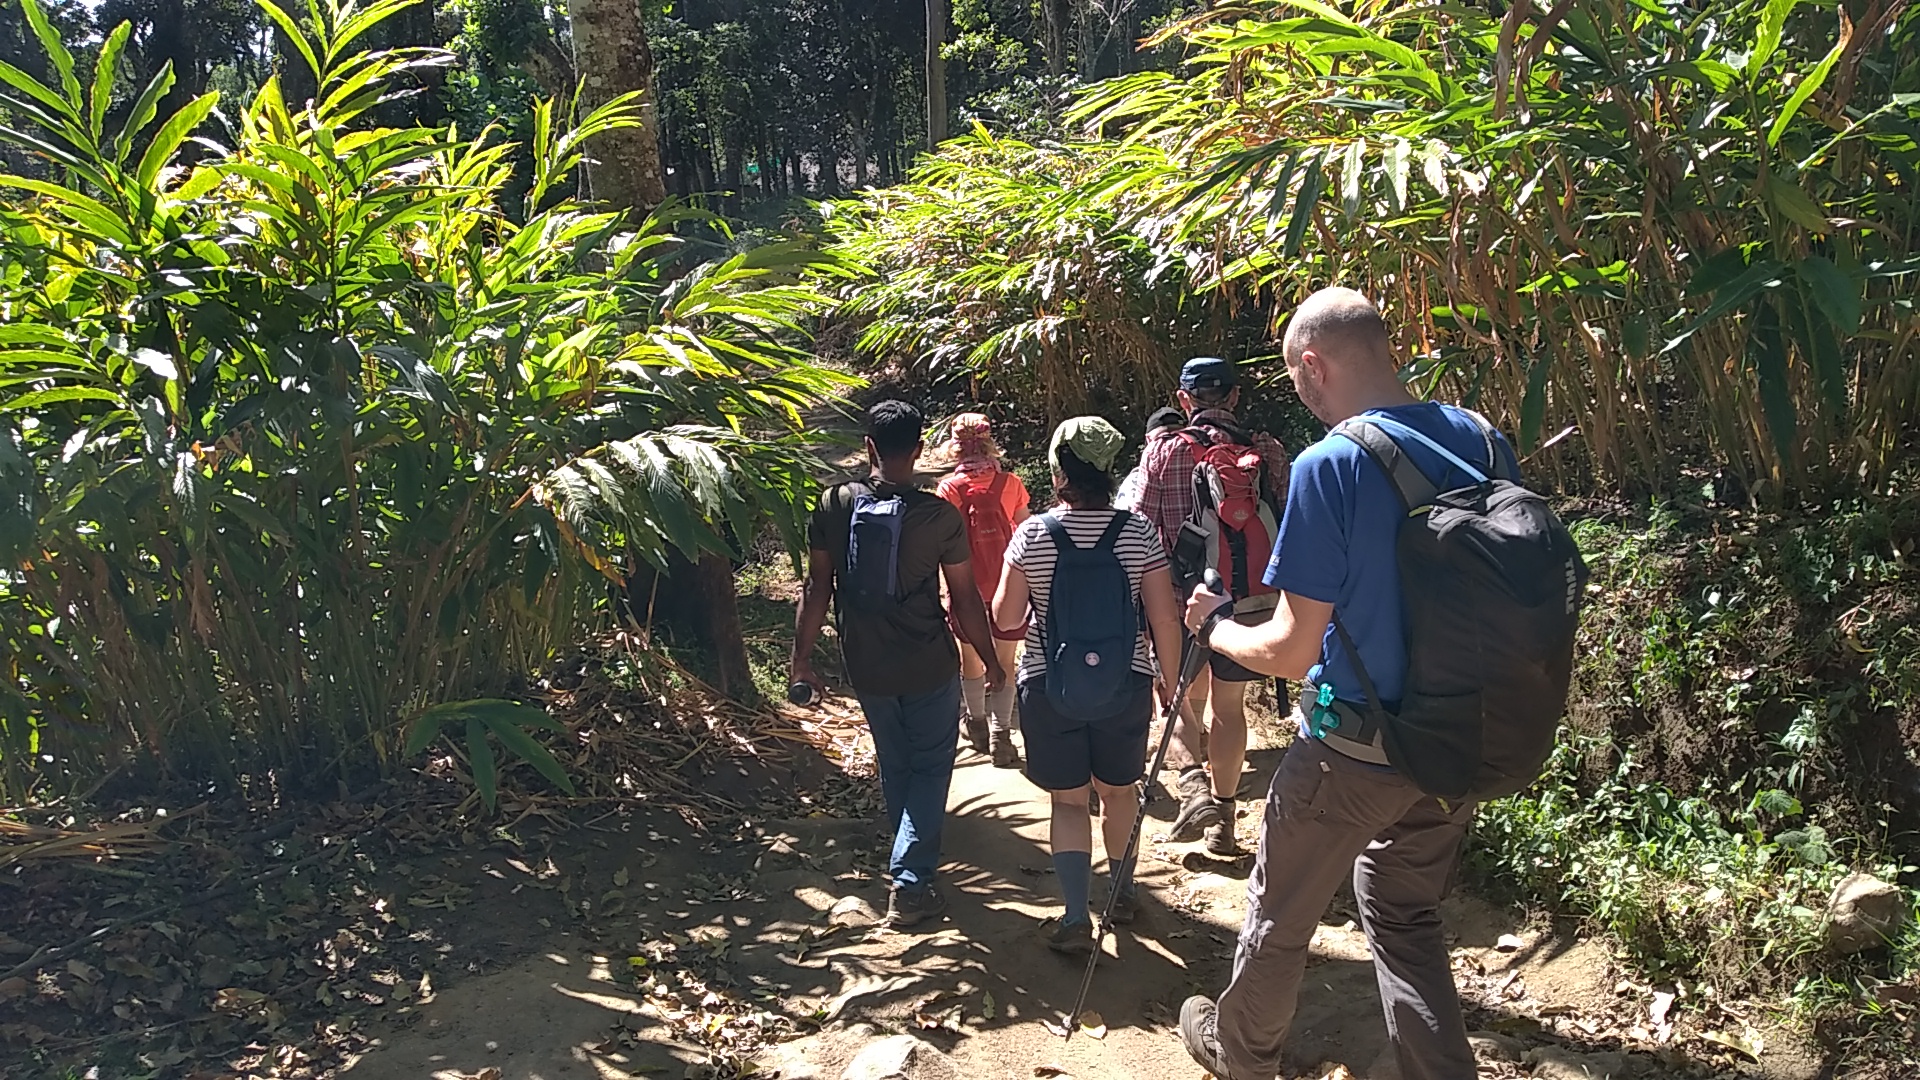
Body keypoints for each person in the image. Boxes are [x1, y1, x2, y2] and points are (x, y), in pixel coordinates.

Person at [1176, 288, 1519, 1080]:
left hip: (1353, 749)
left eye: (1297, 379)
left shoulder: (1334, 462)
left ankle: (1243, 1053)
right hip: (1460, 736)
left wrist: (1215, 627)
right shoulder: (1482, 438)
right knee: (1405, 912)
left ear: (1312, 363)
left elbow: (1296, 650)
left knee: (1280, 912)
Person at [791, 400, 1008, 929]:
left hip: (866, 661)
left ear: (868, 447)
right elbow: (962, 600)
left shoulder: (833, 504)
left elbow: (818, 586)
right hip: (929, 661)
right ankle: (911, 882)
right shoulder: (938, 516)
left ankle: (910, 858)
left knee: (896, 760)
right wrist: (987, 658)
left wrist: (800, 660)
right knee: (932, 767)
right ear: (917, 450)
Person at [991, 417, 1186, 955]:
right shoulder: (1138, 532)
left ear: (1058, 473)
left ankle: (1076, 917)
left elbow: (1006, 617)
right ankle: (1121, 895)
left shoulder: (1031, 535)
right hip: (1125, 686)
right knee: (1119, 793)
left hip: (1049, 688)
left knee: (1069, 803)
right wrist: (1171, 685)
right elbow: (1164, 619)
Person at [1135, 357, 1290, 857]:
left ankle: (1192, 785)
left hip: (1179, 601)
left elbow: (1142, 528)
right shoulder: (1266, 451)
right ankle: (1223, 823)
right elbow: (1287, 522)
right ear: (1236, 397)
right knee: (1230, 708)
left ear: (1185, 400)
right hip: (1245, 602)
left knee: (1182, 701)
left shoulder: (1163, 451)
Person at [935, 413, 1031, 769]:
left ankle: (975, 722)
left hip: (966, 588)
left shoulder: (948, 489)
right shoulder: (1011, 483)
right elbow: (1025, 532)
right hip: (1008, 585)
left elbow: (942, 541)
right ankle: (1001, 734)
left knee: (971, 659)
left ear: (955, 446)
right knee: (1006, 661)